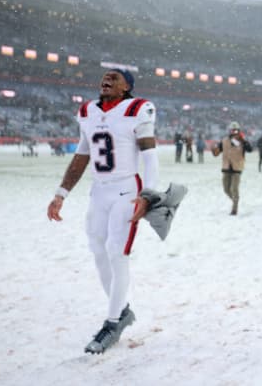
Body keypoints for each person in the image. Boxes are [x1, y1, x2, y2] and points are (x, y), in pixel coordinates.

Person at [46, 69, 160, 354]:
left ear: (127, 87)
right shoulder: (87, 111)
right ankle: (121, 311)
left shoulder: (138, 109)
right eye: (104, 76)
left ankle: (111, 322)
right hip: (99, 190)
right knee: (97, 249)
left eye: (115, 77)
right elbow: (82, 155)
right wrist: (61, 193)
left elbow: (150, 157)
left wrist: (148, 195)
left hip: (126, 190)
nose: (106, 79)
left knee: (116, 251)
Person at [212, 121, 252, 215]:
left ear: (239, 130)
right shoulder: (224, 140)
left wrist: (243, 141)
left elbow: (250, 149)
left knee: (234, 188)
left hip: (237, 168)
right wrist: (214, 150)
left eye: (236, 130)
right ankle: (235, 201)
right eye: (232, 130)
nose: (234, 132)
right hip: (226, 167)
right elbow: (217, 152)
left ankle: (235, 208)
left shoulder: (242, 141)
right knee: (226, 189)